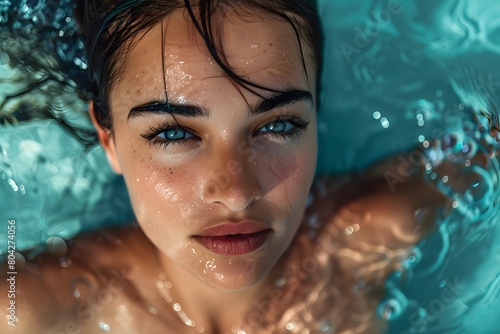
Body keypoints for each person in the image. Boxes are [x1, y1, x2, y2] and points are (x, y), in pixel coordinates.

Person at [0, 0, 489, 333]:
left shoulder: (370, 232)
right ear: (108, 138)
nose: (236, 192)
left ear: (317, 114)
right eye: (174, 134)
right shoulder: (29, 307)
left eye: (277, 126)